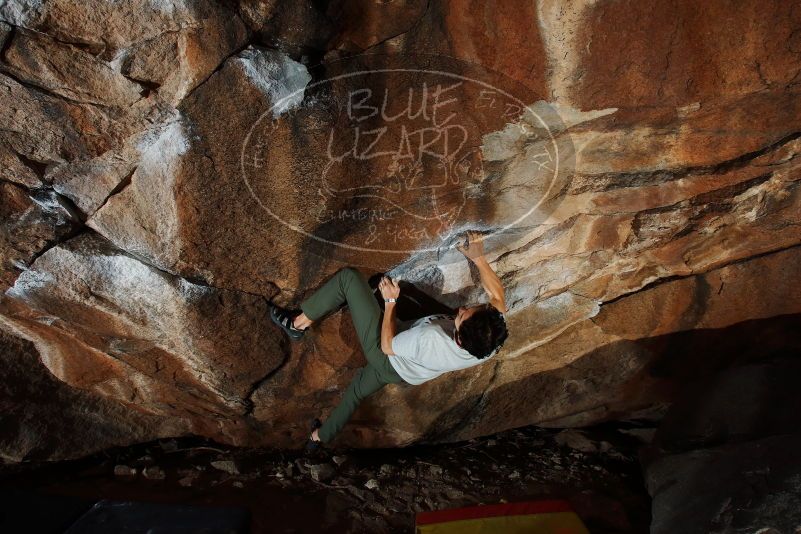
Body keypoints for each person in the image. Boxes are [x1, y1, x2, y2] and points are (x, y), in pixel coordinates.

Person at [269, 231, 508, 450]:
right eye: (474, 308)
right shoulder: (489, 341)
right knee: (356, 392)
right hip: (406, 373)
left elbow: (387, 346)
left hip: (387, 355)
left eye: (464, 314)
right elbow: (498, 297)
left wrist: (390, 301)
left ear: (459, 336)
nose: (465, 307)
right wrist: (478, 258)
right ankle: (319, 438)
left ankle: (296, 324)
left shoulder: (430, 338)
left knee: (349, 279)